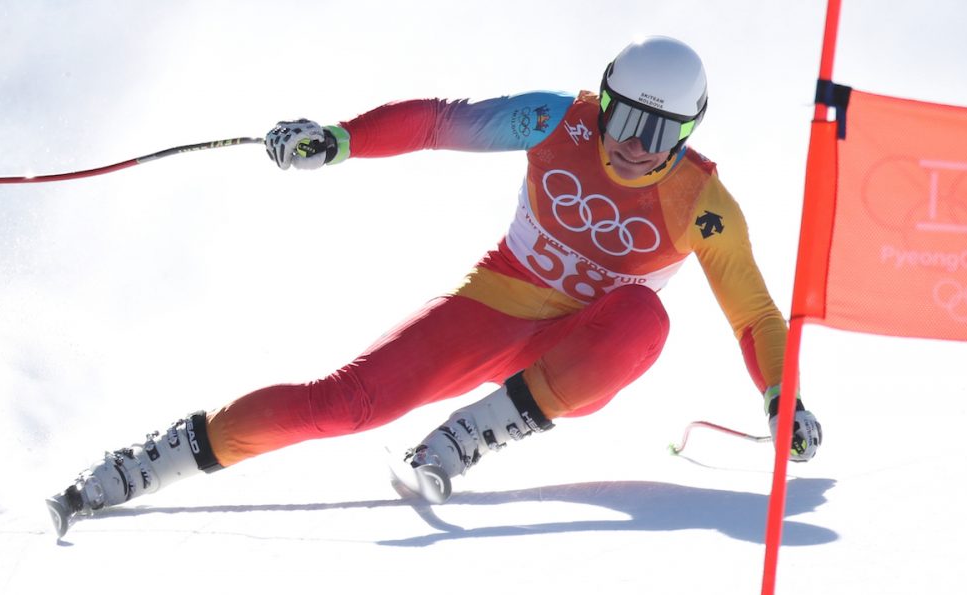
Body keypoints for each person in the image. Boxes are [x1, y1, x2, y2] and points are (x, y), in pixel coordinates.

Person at [46, 36, 822, 537]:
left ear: (687, 135)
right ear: (603, 98)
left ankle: (474, 432)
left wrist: (781, 395)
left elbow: (753, 313)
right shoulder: (557, 121)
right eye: (622, 118)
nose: (629, 146)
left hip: (579, 350)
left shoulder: (703, 204)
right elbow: (438, 124)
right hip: (492, 307)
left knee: (643, 316)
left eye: (656, 134)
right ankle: (153, 460)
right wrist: (342, 139)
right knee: (344, 403)